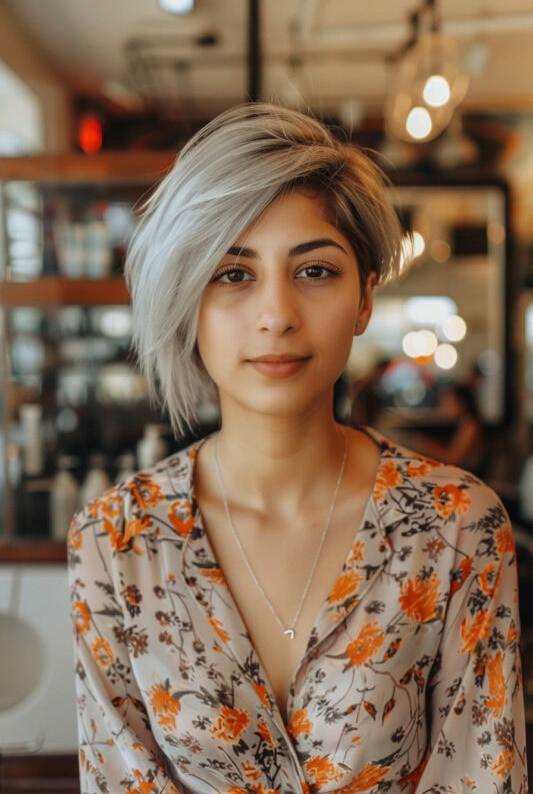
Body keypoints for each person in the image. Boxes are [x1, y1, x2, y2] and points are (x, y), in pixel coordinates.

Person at [67, 103, 528, 794]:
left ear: (366, 296)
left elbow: (481, 774)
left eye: (314, 271)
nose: (277, 314)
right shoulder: (117, 540)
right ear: (186, 301)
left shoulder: (454, 525)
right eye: (232, 274)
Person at [409, 383, 487, 477]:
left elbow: (455, 459)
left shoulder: (470, 426)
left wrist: (424, 444)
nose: (445, 408)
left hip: (471, 476)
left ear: (461, 404)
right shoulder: (462, 424)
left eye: (448, 404)